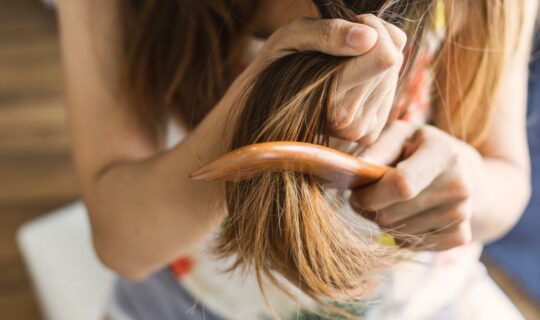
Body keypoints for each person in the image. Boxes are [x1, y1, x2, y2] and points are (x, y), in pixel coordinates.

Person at [55, 0, 537, 319]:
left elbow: (507, 183)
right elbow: (122, 245)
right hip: (190, 305)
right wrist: (257, 106)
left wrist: (466, 186)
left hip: (426, 303)